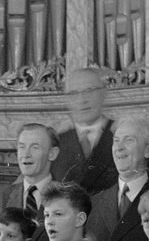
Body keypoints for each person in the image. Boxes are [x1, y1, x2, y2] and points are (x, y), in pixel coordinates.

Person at [50, 66, 117, 194]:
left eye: (90, 91)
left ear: (103, 93)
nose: (82, 100)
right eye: (74, 93)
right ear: (66, 100)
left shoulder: (119, 133)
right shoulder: (57, 142)